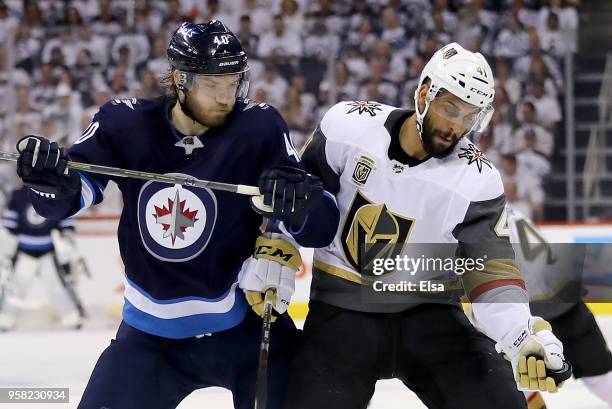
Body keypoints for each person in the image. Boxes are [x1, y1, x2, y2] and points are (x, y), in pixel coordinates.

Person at [13, 20, 339, 409]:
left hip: (246, 332)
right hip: (149, 343)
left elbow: (320, 229)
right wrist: (47, 181)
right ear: (179, 78)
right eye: (212, 85)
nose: (226, 97)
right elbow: (63, 201)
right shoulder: (125, 122)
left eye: (233, 83)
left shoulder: (258, 127)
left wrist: (299, 203)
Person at [286, 42, 569, 409]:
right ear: (424, 93)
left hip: (430, 314)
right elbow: (295, 202)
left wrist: (521, 336)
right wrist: (273, 262)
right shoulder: (347, 127)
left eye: (470, 117)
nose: (456, 127)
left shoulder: (477, 178)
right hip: (342, 313)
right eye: (450, 108)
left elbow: (492, 273)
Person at [504, 207, 612, 409]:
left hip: (530, 309)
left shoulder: (478, 217)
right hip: (565, 297)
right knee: (602, 379)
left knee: (516, 381)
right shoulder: (511, 210)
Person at [0, 184, 84, 331]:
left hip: (48, 251)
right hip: (24, 251)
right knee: (16, 287)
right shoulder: (18, 195)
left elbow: (65, 217)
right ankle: (5, 320)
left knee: (56, 287)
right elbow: (10, 225)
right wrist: (7, 245)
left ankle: (72, 319)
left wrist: (66, 234)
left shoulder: (55, 191)